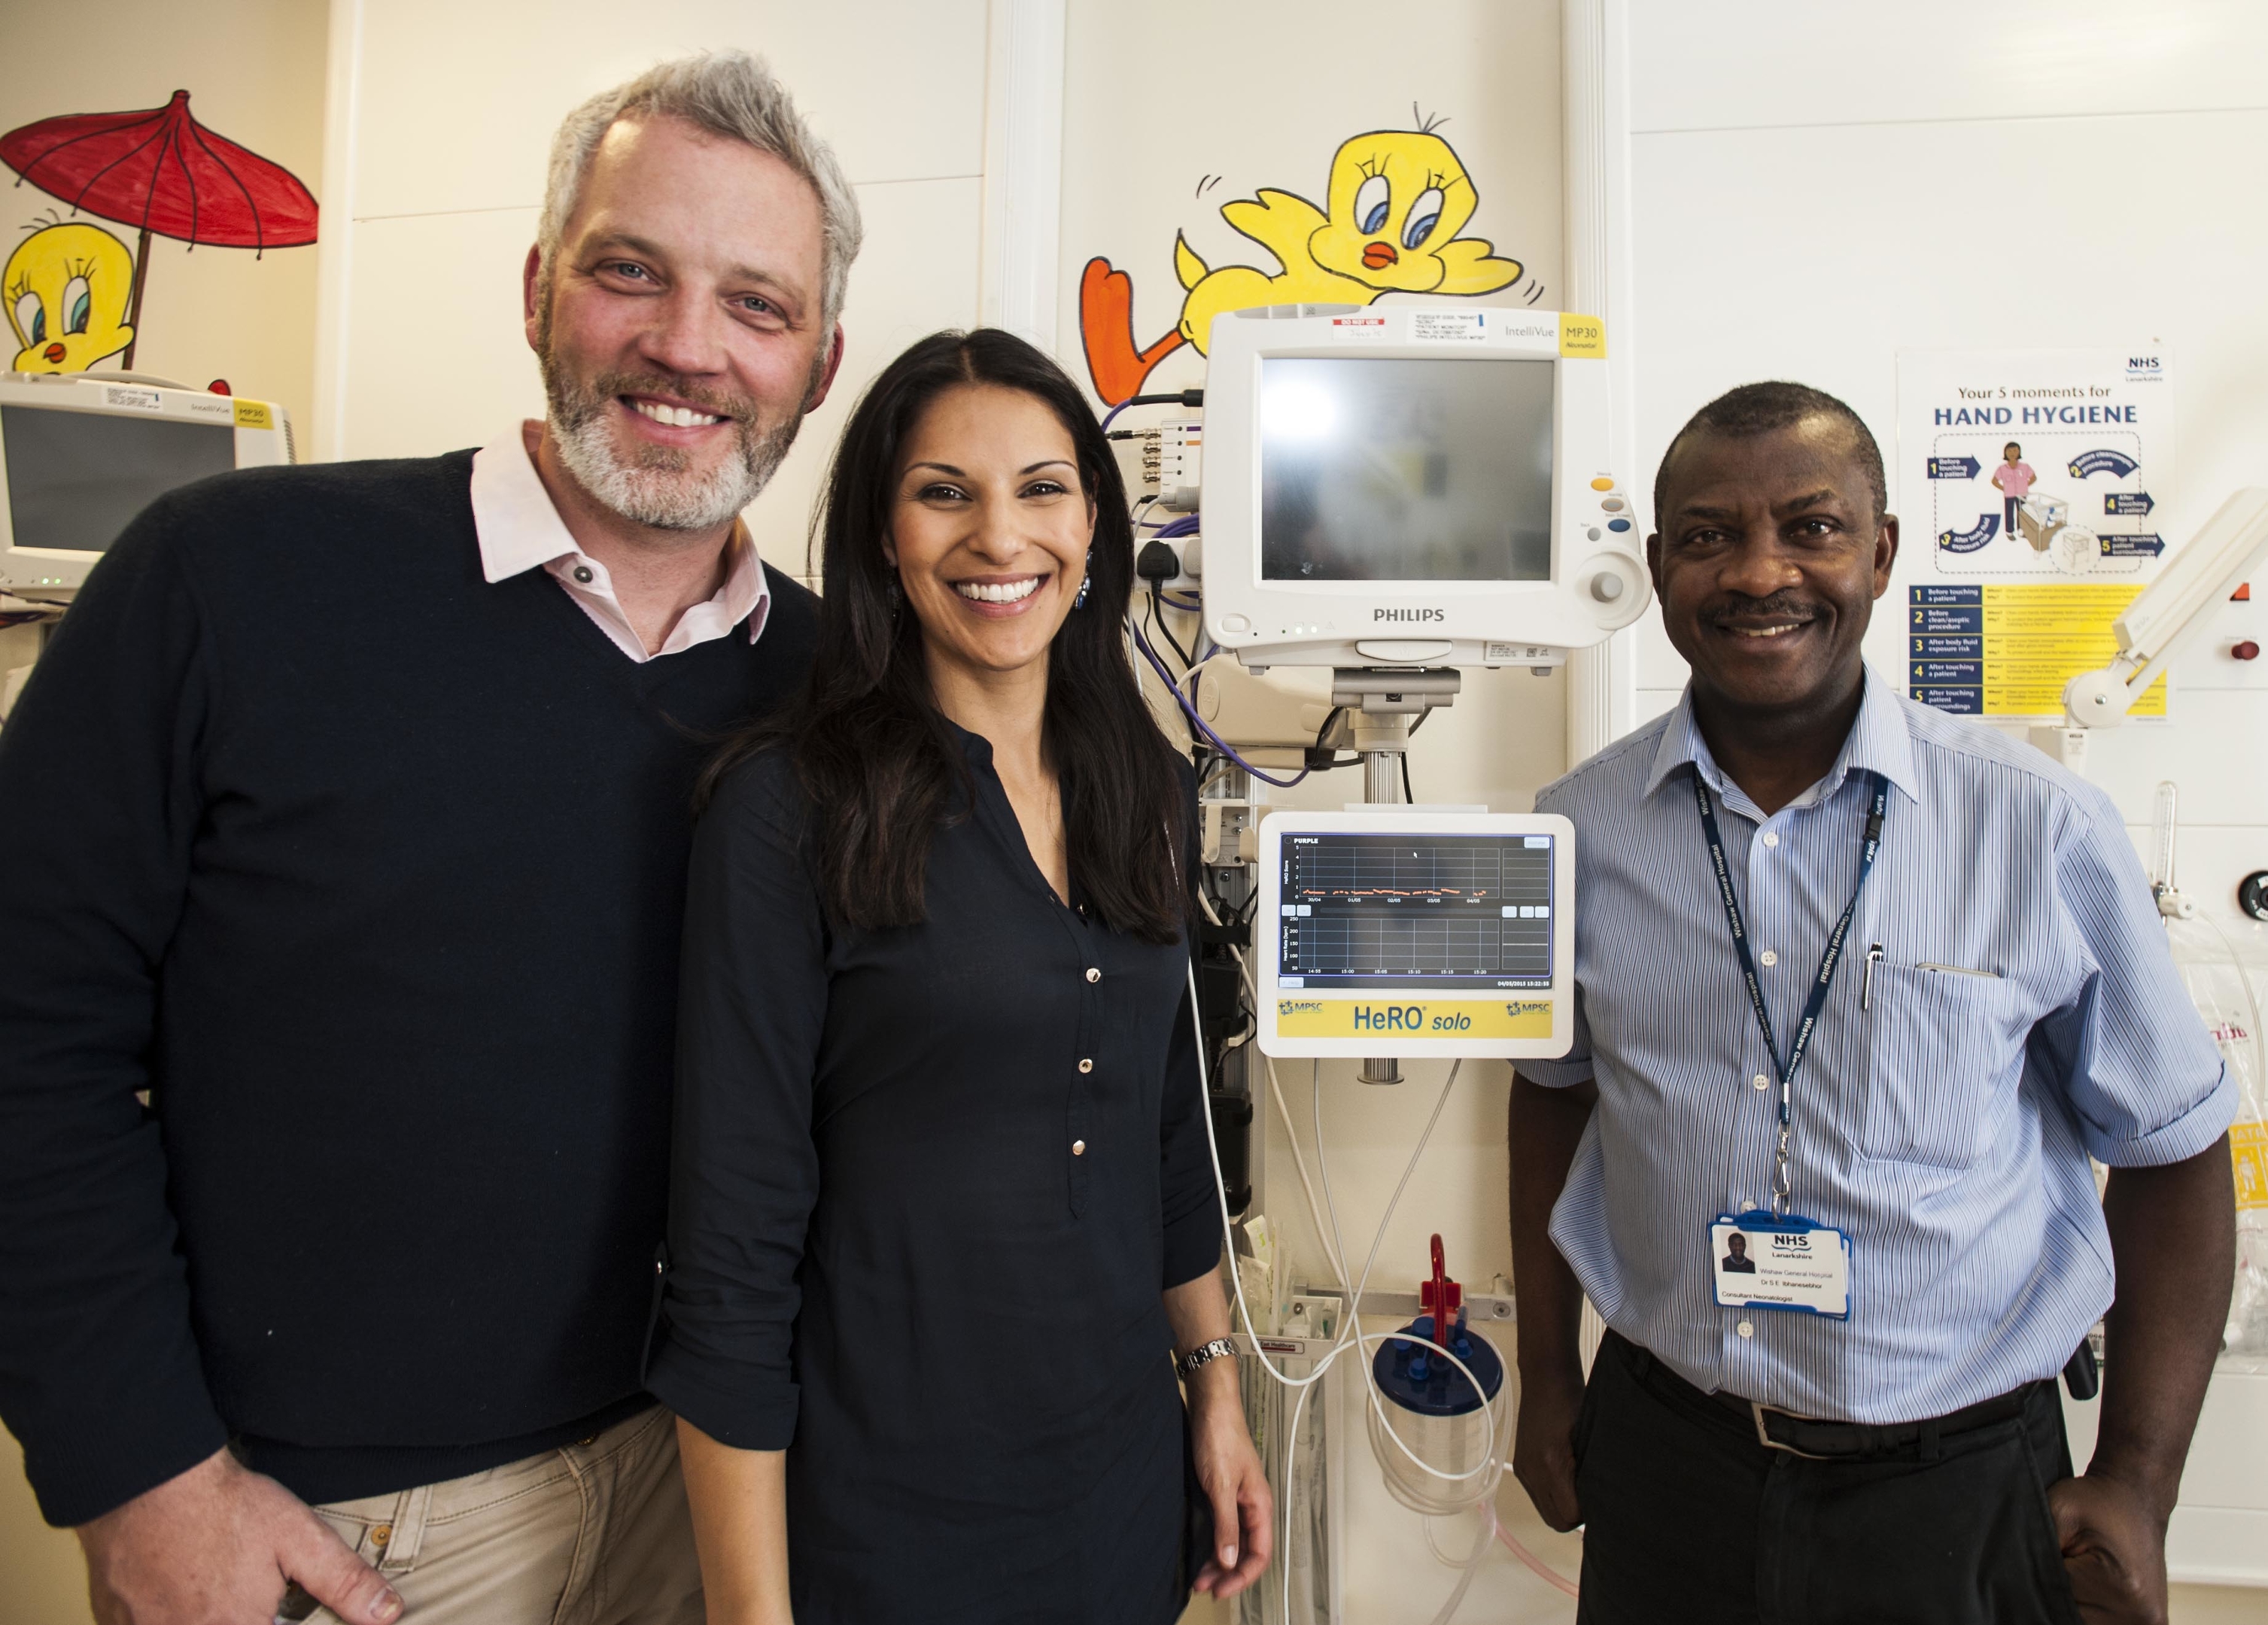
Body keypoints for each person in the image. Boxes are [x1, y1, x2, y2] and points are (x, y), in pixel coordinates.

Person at [0, 51, 855, 1625]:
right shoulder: (227, 581)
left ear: (819, 357)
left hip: (713, 1493)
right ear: (539, 289)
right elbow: (22, 1026)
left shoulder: (837, 690)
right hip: (344, 1526)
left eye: (757, 303)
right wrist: (137, 1471)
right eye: (628, 272)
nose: (686, 348)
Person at [1508, 381, 2235, 1625]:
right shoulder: (1577, 833)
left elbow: (2173, 1155)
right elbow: (1548, 1099)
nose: (1758, 572)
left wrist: (2134, 1484)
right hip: (1669, 1461)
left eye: (1810, 526)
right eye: (1704, 536)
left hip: (1957, 1485)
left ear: (1880, 550)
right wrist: (1543, 1381)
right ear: (1655, 566)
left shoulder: (2035, 827)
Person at [648, 328, 1273, 1623]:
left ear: (1093, 524)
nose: (1001, 538)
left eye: (1041, 489)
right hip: (881, 1518)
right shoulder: (787, 810)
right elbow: (730, 1247)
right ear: (884, 533)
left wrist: (1212, 1387)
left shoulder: (1146, 789)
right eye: (945, 493)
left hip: (1112, 1493)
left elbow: (1165, 1137)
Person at [1993, 439, 2037, 543]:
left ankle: (2021, 531)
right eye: (2010, 451)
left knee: (2022, 513)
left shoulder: (2025, 467)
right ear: (2005, 453)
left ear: (2019, 452)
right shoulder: (2002, 468)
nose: (2012, 453)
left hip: (2022, 494)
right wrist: (2004, 488)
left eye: (2015, 451)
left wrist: (2026, 485)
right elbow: (1994, 481)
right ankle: (2009, 532)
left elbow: (2034, 478)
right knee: (2009, 513)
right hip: (2009, 495)